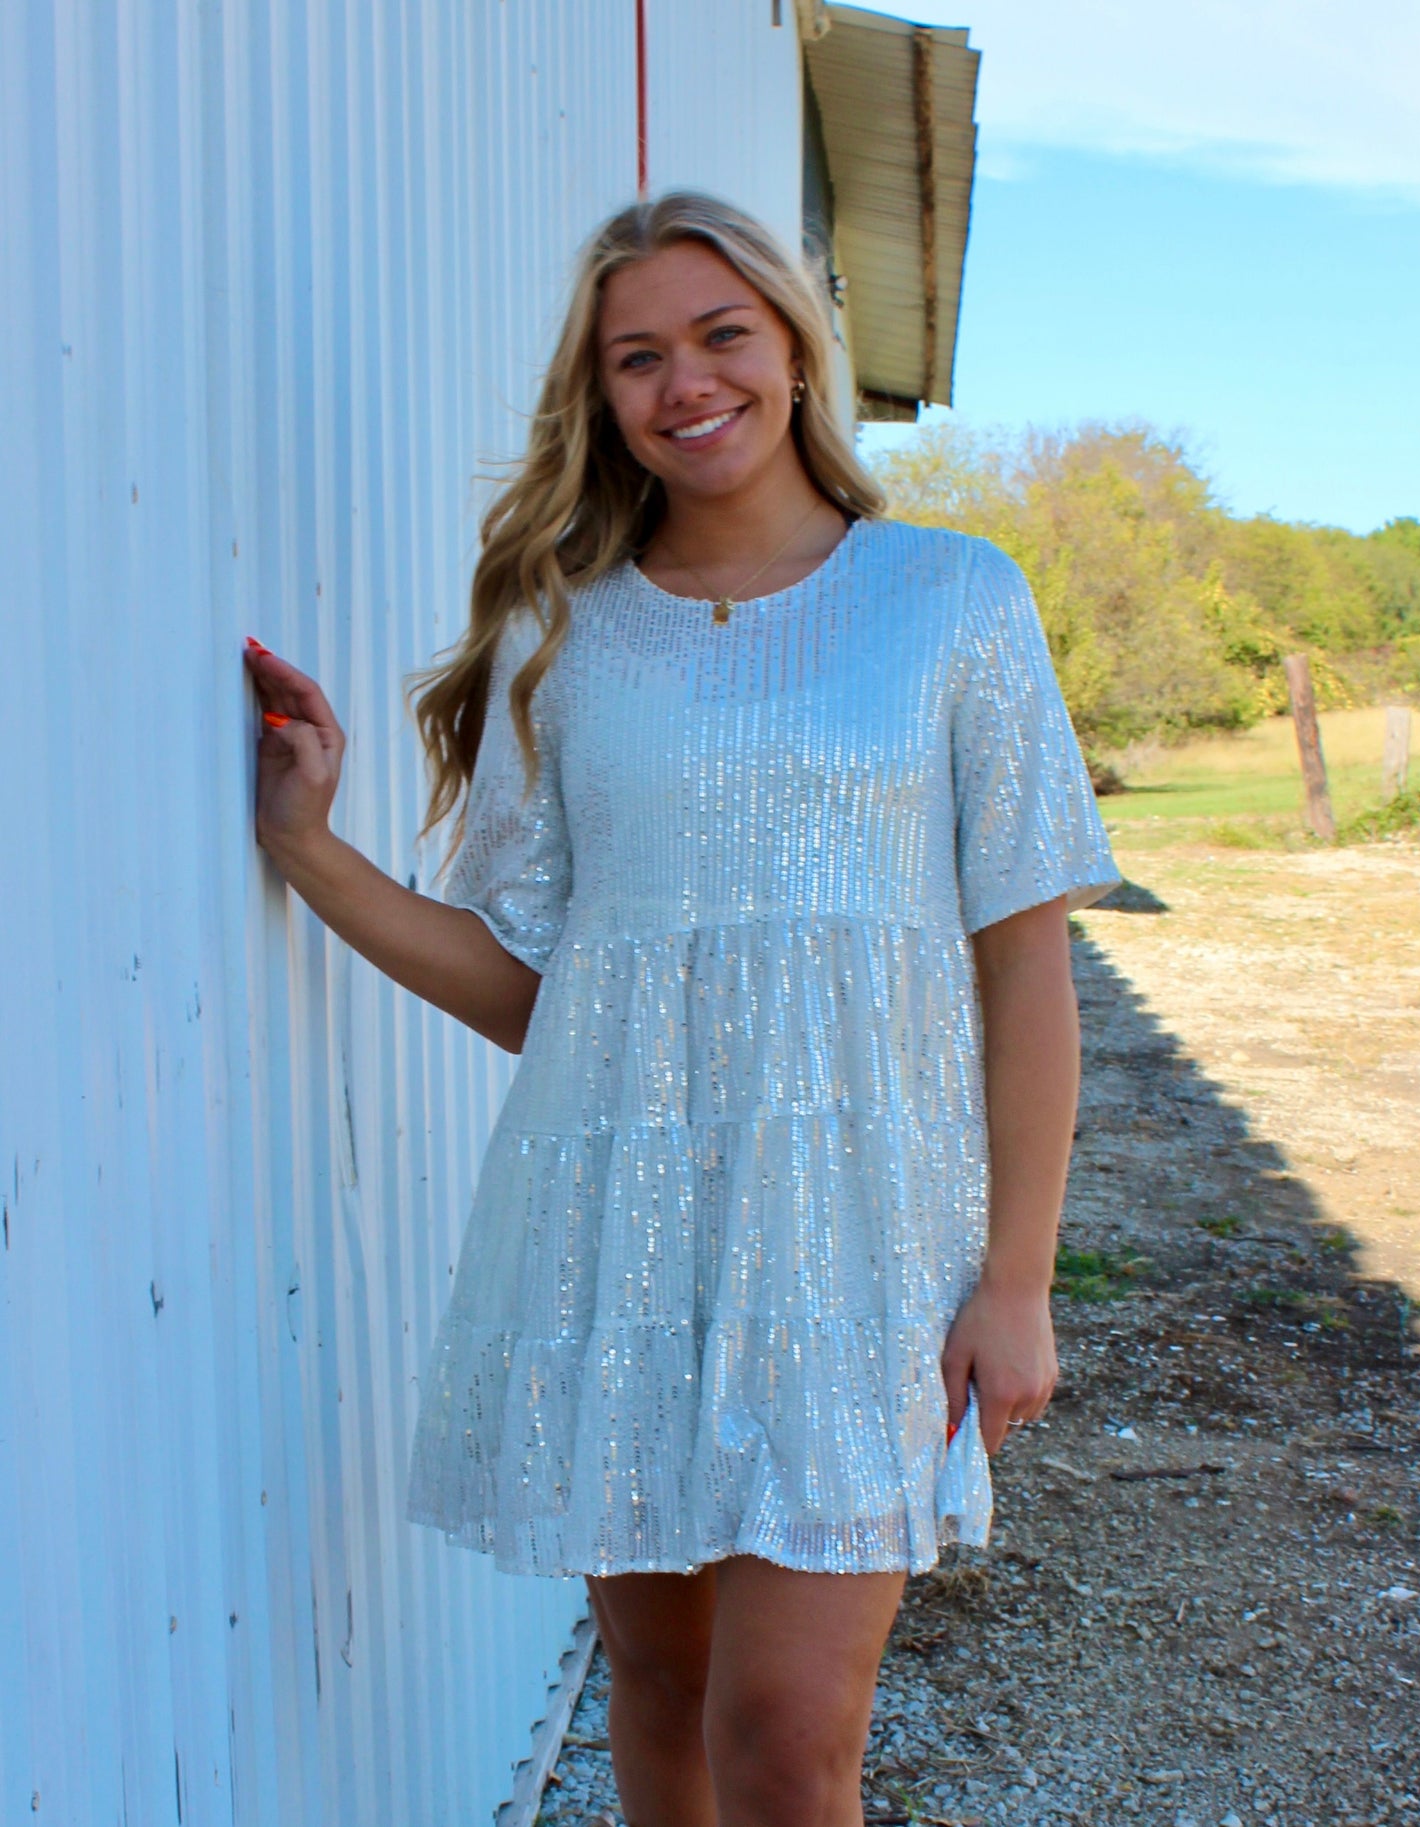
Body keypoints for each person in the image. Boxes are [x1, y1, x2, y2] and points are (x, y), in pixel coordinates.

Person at [244, 191, 1119, 1827]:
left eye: (719, 334)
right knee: (655, 1688)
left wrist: (1015, 1282)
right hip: (613, 1236)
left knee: (787, 1739)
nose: (683, 381)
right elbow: (543, 997)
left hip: (858, 1244)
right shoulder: (557, 636)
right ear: (603, 397)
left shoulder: (949, 600)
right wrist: (310, 852)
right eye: (635, 356)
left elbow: (1023, 969)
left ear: (792, 349)